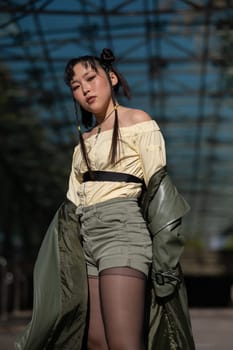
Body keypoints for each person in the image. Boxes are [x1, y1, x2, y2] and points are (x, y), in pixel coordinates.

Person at [15, 48, 195, 350]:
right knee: (97, 343)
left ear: (111, 77)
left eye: (90, 78)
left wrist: (166, 256)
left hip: (122, 231)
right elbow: (72, 203)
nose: (84, 88)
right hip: (86, 238)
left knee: (124, 343)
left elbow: (159, 186)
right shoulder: (82, 143)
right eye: (75, 85)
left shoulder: (139, 121)